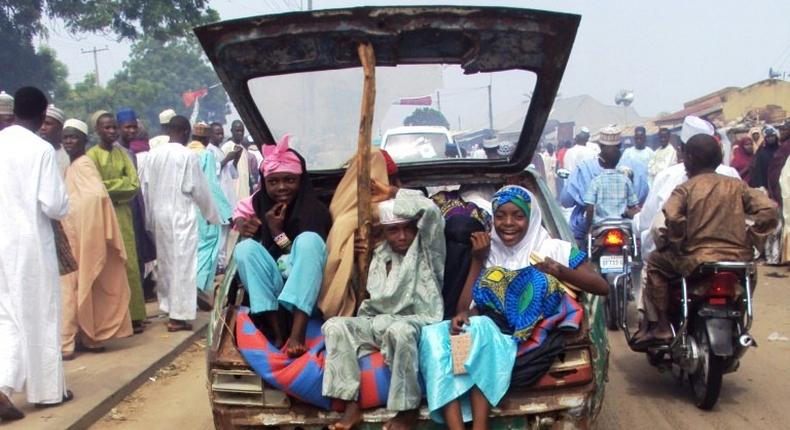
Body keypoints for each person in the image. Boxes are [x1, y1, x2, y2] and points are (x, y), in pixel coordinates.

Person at [419, 186, 608, 428]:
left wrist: (559, 270)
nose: (508, 223)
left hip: (518, 335)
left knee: (475, 332)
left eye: (518, 216)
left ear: (531, 217)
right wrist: (477, 261)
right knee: (434, 336)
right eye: (500, 216)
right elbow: (465, 306)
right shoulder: (487, 249)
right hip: (485, 326)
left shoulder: (554, 249)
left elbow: (601, 287)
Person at [322, 182, 445, 430]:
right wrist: (358, 261)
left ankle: (407, 409)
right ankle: (351, 405)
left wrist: (394, 194)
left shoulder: (428, 249)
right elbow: (368, 294)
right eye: (394, 230)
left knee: (398, 331)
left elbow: (430, 211)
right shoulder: (378, 254)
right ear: (385, 232)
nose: (402, 236)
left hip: (418, 319)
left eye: (407, 229)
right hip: (377, 320)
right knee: (335, 326)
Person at [635, 134, 777, 346]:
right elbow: (769, 209)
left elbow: (671, 217)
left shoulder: (686, 188)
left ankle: (663, 326)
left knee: (655, 263)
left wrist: (677, 241)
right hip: (738, 258)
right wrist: (752, 238)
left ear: (689, 159)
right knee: (749, 275)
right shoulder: (736, 185)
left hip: (695, 259)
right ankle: (738, 318)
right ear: (719, 158)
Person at [0, 87, 72, 421]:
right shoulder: (41, 150)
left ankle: (3, 386)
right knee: (42, 312)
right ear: (44, 116)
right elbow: (53, 205)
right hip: (30, 243)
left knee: (7, 317)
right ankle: (47, 391)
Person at [232, 135, 331, 357]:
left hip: (311, 294)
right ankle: (277, 332)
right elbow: (238, 213)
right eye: (273, 181)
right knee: (244, 249)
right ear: (264, 183)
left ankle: (297, 334)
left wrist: (276, 232)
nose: (282, 187)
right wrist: (241, 223)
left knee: (309, 241)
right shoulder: (258, 203)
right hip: (274, 292)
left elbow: (306, 260)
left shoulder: (315, 211)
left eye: (289, 180)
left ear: (300, 181)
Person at [59, 119, 133, 359]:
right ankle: (78, 337)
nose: (69, 141)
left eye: (74, 137)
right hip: (70, 235)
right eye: (66, 137)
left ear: (84, 140)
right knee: (72, 287)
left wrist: (77, 218)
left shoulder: (84, 165)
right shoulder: (68, 166)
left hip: (85, 235)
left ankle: (80, 339)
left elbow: (95, 198)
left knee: (82, 285)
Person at [140, 116, 220, 331]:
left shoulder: (152, 155)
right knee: (183, 264)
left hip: (158, 215)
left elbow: (144, 188)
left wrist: (148, 219)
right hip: (181, 214)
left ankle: (167, 305)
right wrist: (212, 215)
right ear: (185, 132)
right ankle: (179, 316)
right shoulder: (187, 156)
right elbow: (200, 189)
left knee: (165, 263)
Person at [87, 113, 148, 334]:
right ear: (97, 130)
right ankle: (111, 318)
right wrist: (116, 186)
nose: (111, 132)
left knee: (130, 262)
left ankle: (136, 315)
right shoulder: (91, 156)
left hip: (123, 214)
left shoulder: (123, 155)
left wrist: (109, 187)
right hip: (101, 215)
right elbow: (93, 187)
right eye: (107, 128)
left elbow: (133, 184)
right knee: (107, 265)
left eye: (114, 127)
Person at [317, 148, 392, 318]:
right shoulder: (343, 216)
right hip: (353, 287)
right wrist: (350, 249)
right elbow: (334, 258)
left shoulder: (390, 209)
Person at [560, 128, 650, 246]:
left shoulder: (585, 168)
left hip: (595, 227)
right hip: (625, 226)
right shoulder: (636, 168)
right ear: (620, 145)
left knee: (576, 244)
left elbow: (567, 201)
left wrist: (589, 227)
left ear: (600, 146)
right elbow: (640, 199)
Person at [186, 122, 232, 305]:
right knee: (209, 245)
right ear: (206, 139)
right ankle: (199, 287)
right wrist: (226, 211)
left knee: (193, 248)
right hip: (204, 208)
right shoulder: (206, 155)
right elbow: (211, 185)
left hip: (186, 208)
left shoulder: (184, 153)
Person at [115, 108, 158, 302]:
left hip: (137, 209)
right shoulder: (115, 152)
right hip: (122, 211)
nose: (131, 131)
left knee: (140, 254)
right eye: (127, 127)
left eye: (134, 127)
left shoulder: (131, 152)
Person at [583, 126, 639, 230]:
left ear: (602, 162)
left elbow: (590, 208)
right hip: (623, 225)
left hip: (601, 225)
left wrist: (588, 228)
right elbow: (633, 206)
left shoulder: (596, 181)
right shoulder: (626, 180)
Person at [209, 122, 242, 272]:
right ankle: (218, 265)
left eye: (221, 133)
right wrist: (227, 159)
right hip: (218, 201)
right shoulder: (209, 151)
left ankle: (221, 263)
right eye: (217, 133)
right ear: (210, 134)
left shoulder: (220, 151)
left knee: (226, 234)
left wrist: (235, 159)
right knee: (220, 235)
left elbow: (232, 174)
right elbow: (212, 172)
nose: (220, 136)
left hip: (227, 199)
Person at [749, 125, 782, 264]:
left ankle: (776, 256)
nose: (770, 139)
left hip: (780, 191)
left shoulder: (781, 151)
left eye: (772, 136)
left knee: (778, 225)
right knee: (766, 224)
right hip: (765, 192)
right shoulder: (761, 154)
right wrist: (763, 190)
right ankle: (764, 255)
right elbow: (758, 174)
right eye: (768, 137)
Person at [38, 104, 69, 177]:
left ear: (60, 127)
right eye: (41, 123)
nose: (42, 127)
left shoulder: (68, 154)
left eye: (48, 124)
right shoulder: (32, 152)